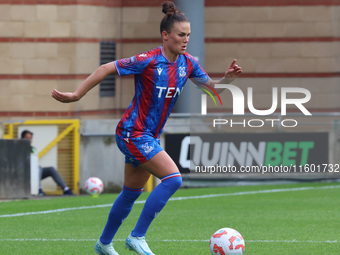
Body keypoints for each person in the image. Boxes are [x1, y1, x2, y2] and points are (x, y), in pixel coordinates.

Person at [51, 1, 242, 254]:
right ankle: (137, 236)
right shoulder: (148, 60)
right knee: (173, 179)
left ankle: (104, 244)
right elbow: (106, 68)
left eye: (188, 35)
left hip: (147, 136)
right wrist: (76, 95)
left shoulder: (187, 64)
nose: (186, 40)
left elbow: (210, 87)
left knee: (131, 193)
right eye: (181, 35)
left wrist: (227, 78)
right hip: (132, 133)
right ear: (166, 35)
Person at [21, 130, 74, 196]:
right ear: (22, 139)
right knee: (38, 167)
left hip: (34, 173)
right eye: (27, 138)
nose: (29, 140)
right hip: (24, 174)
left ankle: (66, 189)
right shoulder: (19, 149)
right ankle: (38, 189)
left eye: (31, 138)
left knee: (50, 169)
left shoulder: (33, 149)